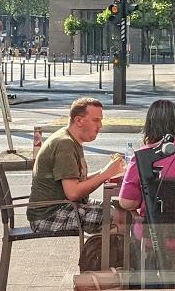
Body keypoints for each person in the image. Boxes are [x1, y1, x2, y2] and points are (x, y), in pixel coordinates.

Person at [117, 100, 175, 282]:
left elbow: (127, 202)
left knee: (137, 229)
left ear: (149, 126)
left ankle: (153, 276)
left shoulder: (143, 156)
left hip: (156, 234)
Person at [28, 97, 125, 234]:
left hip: (64, 208)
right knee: (120, 218)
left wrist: (106, 170)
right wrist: (105, 174)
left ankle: (100, 253)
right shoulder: (64, 144)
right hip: (50, 215)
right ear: (78, 120)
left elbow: (76, 181)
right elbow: (73, 193)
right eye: (96, 120)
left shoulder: (70, 140)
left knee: (121, 209)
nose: (100, 126)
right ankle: (101, 254)